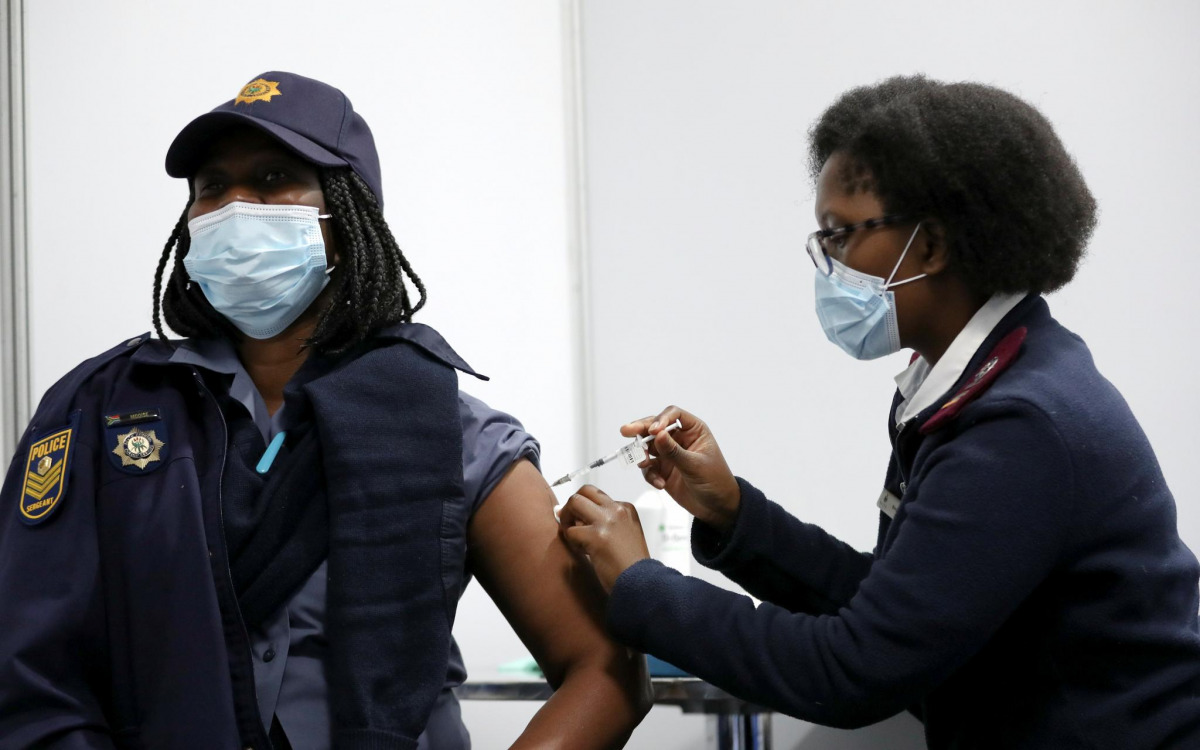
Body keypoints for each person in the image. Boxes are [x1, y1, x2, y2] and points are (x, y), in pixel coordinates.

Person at [0, 71, 650, 749]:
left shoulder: (452, 432)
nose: (235, 207)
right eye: (212, 187)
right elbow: (29, 675)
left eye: (274, 177)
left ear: (346, 215)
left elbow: (604, 672)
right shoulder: (101, 411)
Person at [557, 75, 1200, 748]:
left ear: (932, 245)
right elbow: (897, 605)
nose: (825, 262)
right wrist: (732, 513)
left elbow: (852, 670)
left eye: (840, 234)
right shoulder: (972, 385)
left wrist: (641, 585)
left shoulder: (1020, 426)